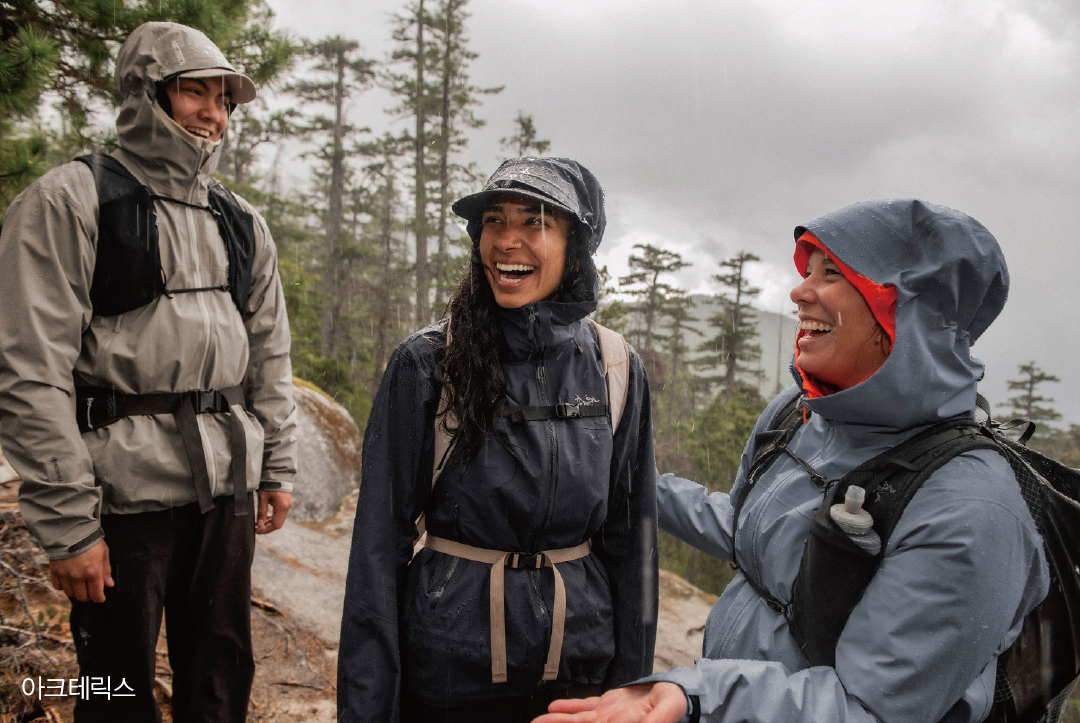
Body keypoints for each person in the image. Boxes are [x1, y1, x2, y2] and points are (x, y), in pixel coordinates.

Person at [535, 199, 1049, 723]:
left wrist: (699, 698)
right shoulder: (796, 416)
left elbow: (872, 709)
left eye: (831, 273)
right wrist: (624, 476)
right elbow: (747, 529)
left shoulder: (971, 508)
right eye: (806, 271)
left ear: (907, 310)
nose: (799, 291)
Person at [0, 22, 297, 722]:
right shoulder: (68, 201)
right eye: (194, 91)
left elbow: (270, 353)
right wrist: (70, 527)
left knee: (221, 680)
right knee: (112, 690)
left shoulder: (240, 220)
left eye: (223, 97)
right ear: (143, 94)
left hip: (224, 492)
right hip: (119, 497)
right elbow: (28, 372)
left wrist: (277, 466)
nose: (214, 112)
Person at [338, 157, 658, 722]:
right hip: (450, 671)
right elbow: (377, 550)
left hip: (577, 672)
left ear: (575, 245)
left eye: (535, 222)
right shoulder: (428, 364)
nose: (507, 240)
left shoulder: (615, 368)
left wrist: (629, 691)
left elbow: (632, 543)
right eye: (493, 220)